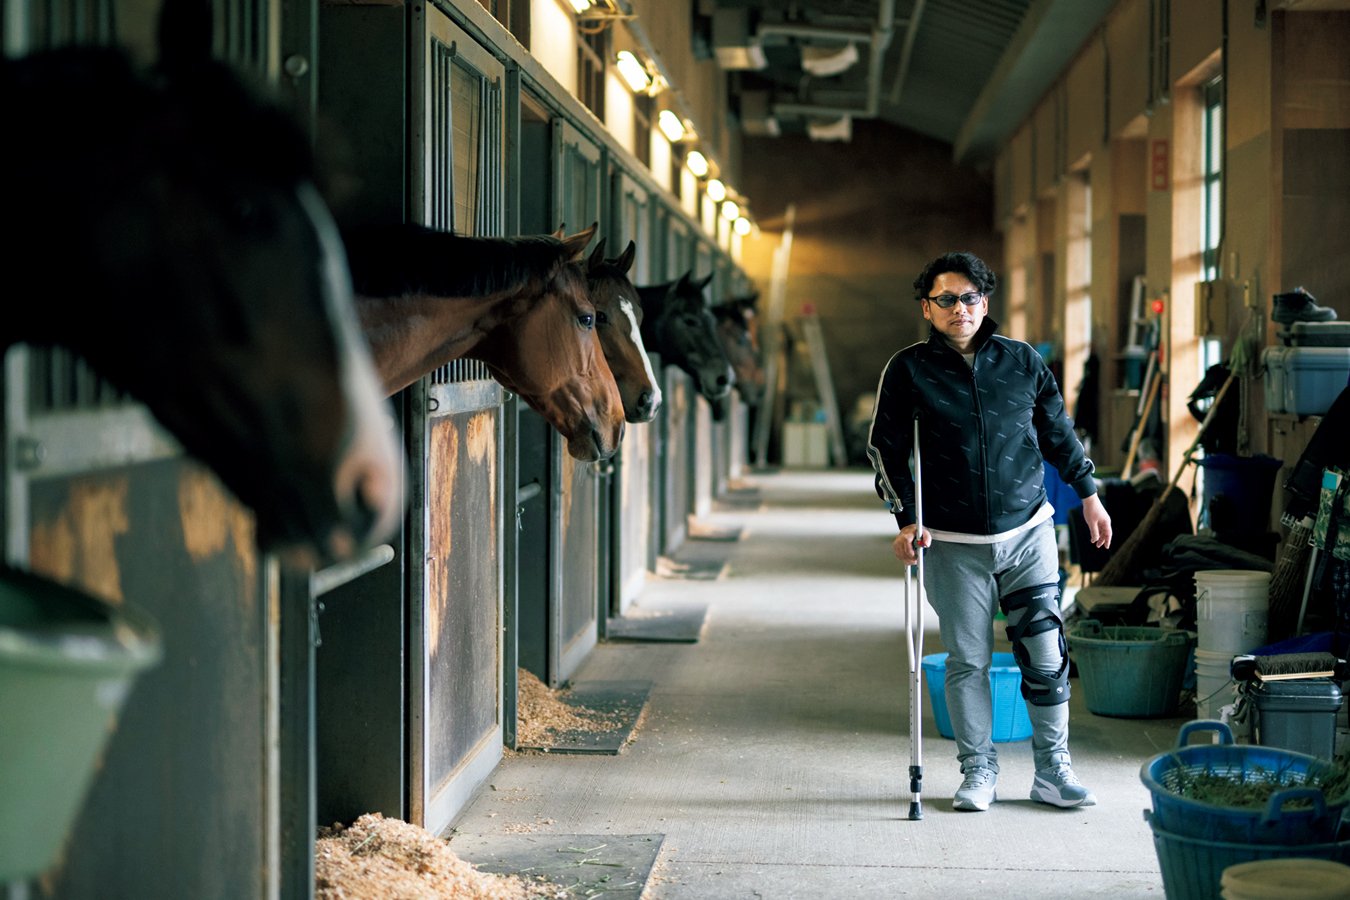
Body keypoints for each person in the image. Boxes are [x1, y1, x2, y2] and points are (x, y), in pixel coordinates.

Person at [866, 251, 1112, 812]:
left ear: (985, 302)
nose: (960, 308)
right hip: (952, 543)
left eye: (970, 297)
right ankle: (979, 771)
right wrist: (905, 518)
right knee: (969, 660)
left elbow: (1058, 433)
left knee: (1045, 652)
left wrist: (1090, 496)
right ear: (927, 308)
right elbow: (886, 449)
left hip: (1028, 532)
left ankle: (1054, 771)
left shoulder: (1021, 361)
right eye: (946, 299)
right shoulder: (908, 369)